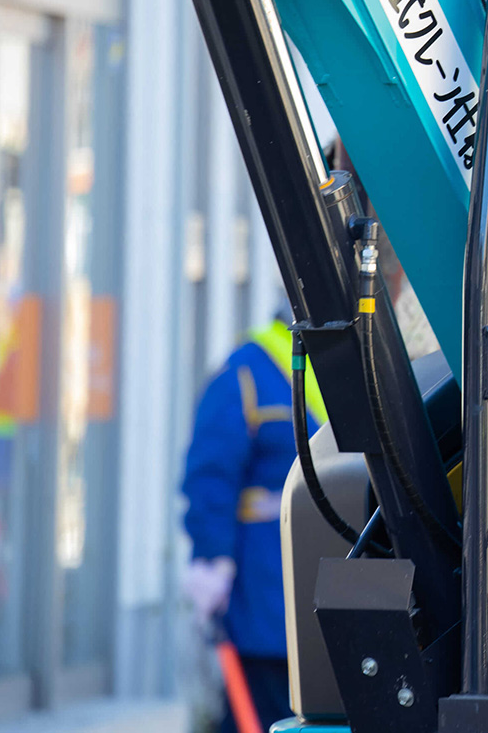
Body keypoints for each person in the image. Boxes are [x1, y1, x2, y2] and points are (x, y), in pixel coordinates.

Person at [182, 312, 326, 732]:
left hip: (321, 588)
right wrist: (213, 559)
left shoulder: (350, 367)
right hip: (263, 596)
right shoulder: (245, 373)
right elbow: (209, 479)